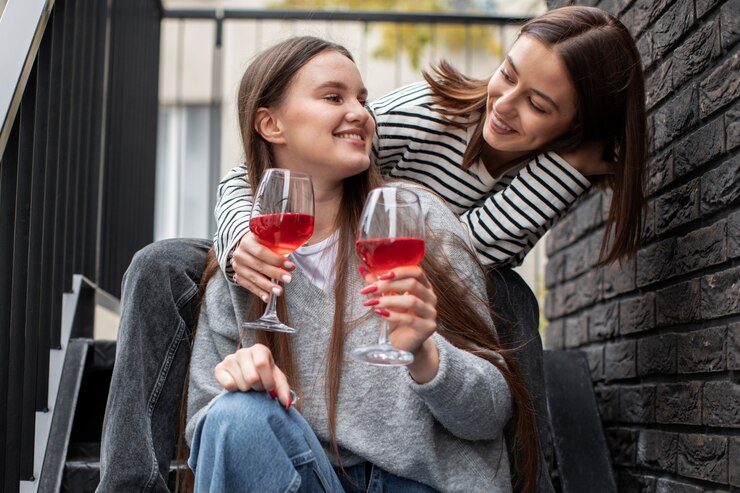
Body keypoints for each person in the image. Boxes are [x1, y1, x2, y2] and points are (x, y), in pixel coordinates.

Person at [97, 5, 647, 492]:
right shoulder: (425, 112)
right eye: (505, 75)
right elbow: (254, 173)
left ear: (572, 127)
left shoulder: (436, 216)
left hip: (403, 244)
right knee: (165, 270)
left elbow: (479, 244)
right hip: (306, 236)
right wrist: (242, 234)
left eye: (538, 104)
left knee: (512, 297)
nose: (503, 103)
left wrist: (427, 347)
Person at [186, 35, 537, 493]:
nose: (361, 114)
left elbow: (489, 415)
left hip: (419, 485)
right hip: (306, 478)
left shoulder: (418, 224)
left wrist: (426, 355)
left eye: (362, 100)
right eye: (334, 97)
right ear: (270, 124)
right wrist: (239, 379)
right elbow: (205, 430)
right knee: (234, 418)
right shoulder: (244, 263)